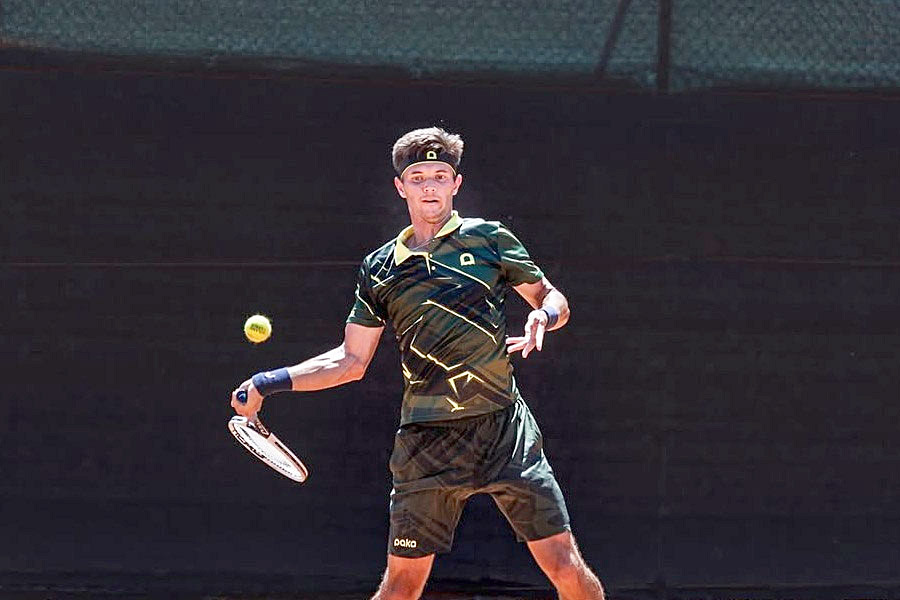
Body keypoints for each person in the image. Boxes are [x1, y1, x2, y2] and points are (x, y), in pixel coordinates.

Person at [231, 127, 605, 600]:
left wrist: (543, 316)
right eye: (419, 176)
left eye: (440, 176)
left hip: (504, 430)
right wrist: (268, 382)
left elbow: (553, 298)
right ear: (401, 187)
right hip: (427, 443)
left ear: (456, 184)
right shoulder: (379, 268)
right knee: (402, 586)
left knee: (564, 565)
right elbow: (350, 360)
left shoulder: (490, 239)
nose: (430, 185)